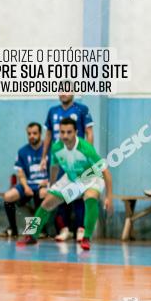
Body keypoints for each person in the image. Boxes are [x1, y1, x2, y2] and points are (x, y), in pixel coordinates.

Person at [18, 118, 112, 250]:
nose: (65, 136)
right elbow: (54, 168)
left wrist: (109, 196)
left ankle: (86, 238)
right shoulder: (56, 147)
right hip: (71, 178)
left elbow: (106, 172)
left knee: (90, 198)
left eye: (69, 132)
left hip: (91, 178)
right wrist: (51, 185)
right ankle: (31, 235)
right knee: (46, 203)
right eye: (62, 132)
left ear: (76, 132)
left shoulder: (86, 148)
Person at [41, 95, 94, 242]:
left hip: (78, 162)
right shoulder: (53, 112)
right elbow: (48, 135)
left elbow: (90, 132)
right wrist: (43, 159)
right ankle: (55, 230)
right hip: (61, 161)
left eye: (67, 89)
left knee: (78, 194)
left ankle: (80, 229)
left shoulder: (81, 109)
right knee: (54, 196)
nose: (64, 93)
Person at [2, 122, 47, 238]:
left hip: (44, 184)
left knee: (41, 193)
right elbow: (20, 173)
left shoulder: (48, 149)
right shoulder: (22, 151)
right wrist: (26, 187)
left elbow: (55, 170)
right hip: (28, 184)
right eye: (29, 133)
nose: (32, 136)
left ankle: (38, 230)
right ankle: (13, 229)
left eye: (35, 133)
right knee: (8, 196)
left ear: (40, 134)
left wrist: (47, 182)